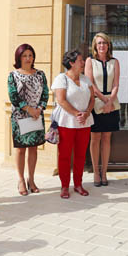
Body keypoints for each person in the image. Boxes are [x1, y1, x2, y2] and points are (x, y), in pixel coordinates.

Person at [8, 44, 49, 196]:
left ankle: (31, 179)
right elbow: (13, 97)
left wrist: (39, 109)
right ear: (19, 57)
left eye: (30, 55)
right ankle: (20, 180)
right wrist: (29, 109)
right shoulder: (13, 75)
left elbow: (45, 93)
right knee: (21, 149)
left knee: (34, 148)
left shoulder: (40, 74)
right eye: (24, 55)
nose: (28, 58)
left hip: (37, 116)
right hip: (20, 117)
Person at [53, 50, 94, 199]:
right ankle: (64, 186)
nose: (83, 63)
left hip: (84, 122)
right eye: (80, 60)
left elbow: (92, 99)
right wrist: (77, 113)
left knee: (81, 155)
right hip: (67, 122)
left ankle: (78, 184)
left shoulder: (86, 79)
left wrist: (87, 112)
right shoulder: (61, 78)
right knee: (64, 155)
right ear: (71, 63)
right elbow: (61, 100)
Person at [85, 33, 120, 187]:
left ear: (108, 45)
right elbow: (90, 83)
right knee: (95, 138)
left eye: (104, 43)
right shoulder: (90, 61)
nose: (102, 46)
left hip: (112, 103)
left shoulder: (115, 62)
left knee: (107, 138)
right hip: (96, 102)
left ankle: (104, 172)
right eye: (99, 43)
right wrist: (105, 100)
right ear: (95, 45)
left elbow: (116, 84)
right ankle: (96, 173)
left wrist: (110, 100)